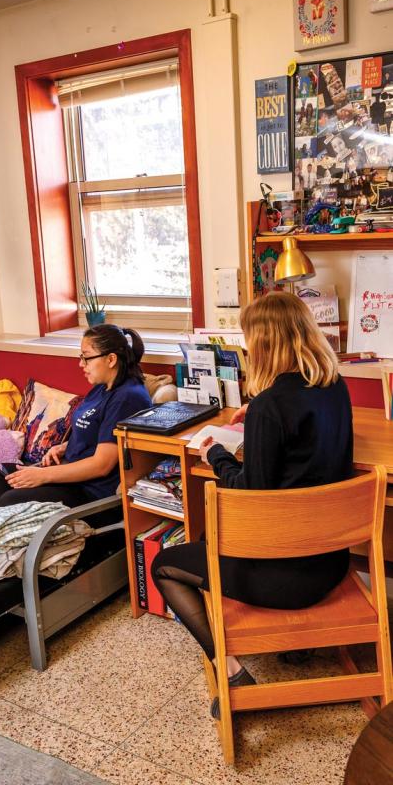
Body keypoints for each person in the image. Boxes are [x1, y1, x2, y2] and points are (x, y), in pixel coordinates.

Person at [151, 291, 352, 717]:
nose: (245, 347)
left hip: (288, 578)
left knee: (165, 565)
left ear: (264, 343)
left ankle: (231, 670)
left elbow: (249, 489)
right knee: (209, 539)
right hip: (331, 562)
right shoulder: (335, 386)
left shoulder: (270, 405)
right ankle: (296, 648)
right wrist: (256, 420)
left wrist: (215, 454)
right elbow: (304, 451)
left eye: (247, 339)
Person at [0, 324, 152, 509]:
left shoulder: (127, 398)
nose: (81, 364)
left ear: (111, 359)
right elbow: (95, 433)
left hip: (90, 492)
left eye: (87, 357)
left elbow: (102, 465)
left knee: (11, 500)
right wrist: (64, 447)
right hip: (70, 476)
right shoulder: (101, 387)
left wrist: (43, 475)